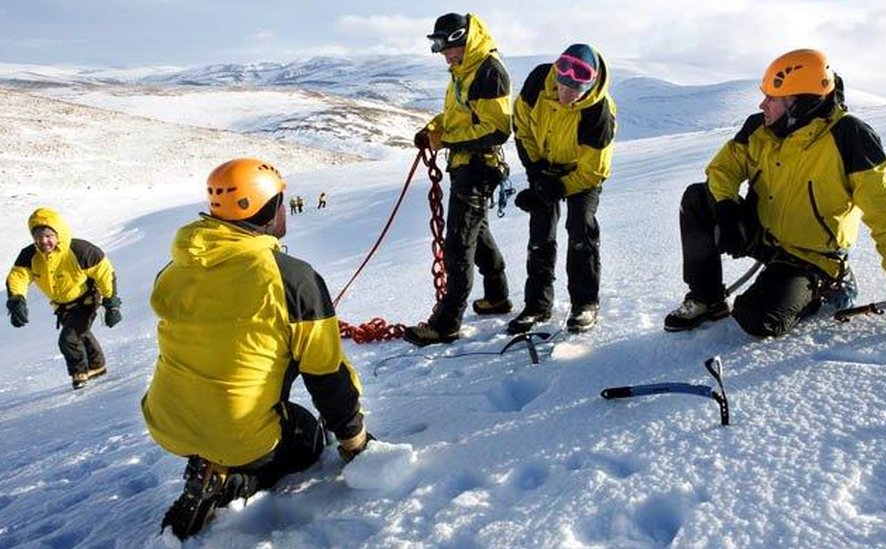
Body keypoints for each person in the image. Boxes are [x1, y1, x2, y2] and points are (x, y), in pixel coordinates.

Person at [141, 158, 372, 540]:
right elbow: (325, 372)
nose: (285, 210)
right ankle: (230, 483)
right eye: (281, 202)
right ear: (267, 210)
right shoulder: (291, 277)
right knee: (306, 435)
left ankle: (209, 462)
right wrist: (354, 439)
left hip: (167, 422)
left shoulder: (177, 266)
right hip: (239, 435)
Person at [664, 49, 886, 336]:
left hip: (811, 257)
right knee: (699, 197)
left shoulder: (850, 136)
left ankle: (822, 289)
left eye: (772, 98)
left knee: (756, 318)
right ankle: (707, 299)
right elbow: (722, 169)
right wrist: (726, 208)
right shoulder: (759, 127)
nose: (763, 104)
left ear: (799, 103)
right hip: (764, 235)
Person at [404, 12, 513, 346]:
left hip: (478, 166)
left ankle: (448, 322)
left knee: (458, 243)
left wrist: (447, 140)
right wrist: (435, 129)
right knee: (476, 233)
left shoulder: (487, 71)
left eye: (447, 48)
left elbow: (496, 129)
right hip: (467, 164)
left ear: (463, 40)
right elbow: (458, 116)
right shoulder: (462, 72)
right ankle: (497, 296)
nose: (444, 56)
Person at [509, 43, 616, 334]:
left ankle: (585, 304)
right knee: (540, 233)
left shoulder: (598, 113)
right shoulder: (538, 83)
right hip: (545, 164)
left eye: (574, 90)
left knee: (581, 228)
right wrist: (535, 173)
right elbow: (522, 126)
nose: (566, 94)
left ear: (590, 84)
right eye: (562, 84)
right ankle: (537, 305)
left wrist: (551, 189)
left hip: (582, 174)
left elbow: (594, 169)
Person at [5, 207, 122, 389]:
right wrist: (16, 300)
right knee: (79, 332)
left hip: (87, 300)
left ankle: (79, 374)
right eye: (38, 236)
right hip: (62, 305)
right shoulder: (30, 256)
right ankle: (97, 366)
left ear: (59, 233)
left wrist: (112, 305)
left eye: (48, 235)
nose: (43, 241)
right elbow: (18, 277)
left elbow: (105, 274)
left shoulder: (81, 251)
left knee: (68, 339)